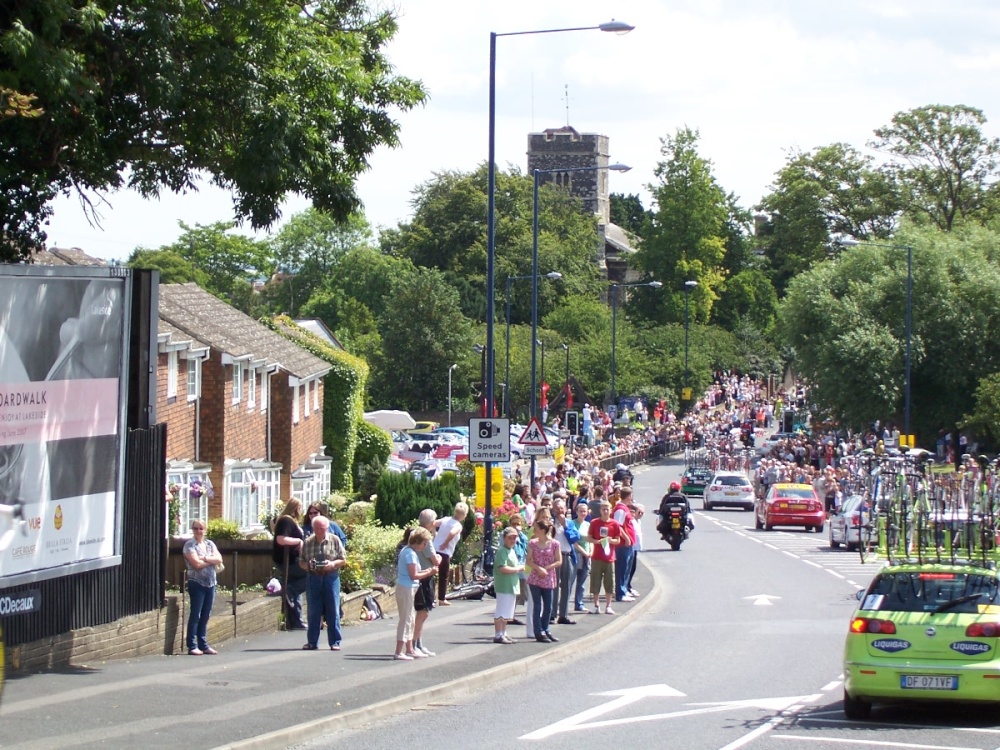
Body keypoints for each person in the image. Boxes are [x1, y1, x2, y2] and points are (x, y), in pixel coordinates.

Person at [299, 515, 347, 651]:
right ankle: (312, 642)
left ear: (327, 528)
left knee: (333, 610)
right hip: (313, 578)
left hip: (331, 577)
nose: (319, 531)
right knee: (313, 611)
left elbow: (343, 559)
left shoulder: (334, 540)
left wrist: (332, 564)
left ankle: (335, 642)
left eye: (322, 528)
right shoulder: (308, 542)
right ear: (313, 528)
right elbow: (301, 561)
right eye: (316, 528)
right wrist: (308, 565)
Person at [394, 527, 437, 660]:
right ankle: (398, 652)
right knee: (406, 619)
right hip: (406, 588)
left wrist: (428, 571)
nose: (424, 546)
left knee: (411, 619)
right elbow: (414, 575)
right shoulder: (410, 554)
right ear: (417, 541)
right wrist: (429, 572)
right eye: (424, 543)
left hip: (408, 587)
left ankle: (410, 649)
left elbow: (415, 574)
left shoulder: (408, 551)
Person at [183, 519, 223, 656]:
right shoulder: (189, 545)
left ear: (205, 530)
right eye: (195, 528)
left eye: (201, 528)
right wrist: (210, 560)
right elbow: (196, 565)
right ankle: (192, 645)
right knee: (196, 614)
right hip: (196, 583)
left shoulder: (209, 544)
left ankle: (203, 644)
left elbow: (219, 559)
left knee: (206, 615)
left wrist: (204, 558)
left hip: (211, 583)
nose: (198, 531)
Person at [272, 498, 307, 630]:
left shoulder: (291, 521)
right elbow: (281, 539)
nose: (301, 511)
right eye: (300, 508)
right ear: (296, 508)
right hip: (289, 561)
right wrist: (298, 541)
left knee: (295, 587)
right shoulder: (286, 520)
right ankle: (289, 591)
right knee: (311, 575)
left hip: (293, 560)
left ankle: (296, 621)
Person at [526, 518, 562, 643]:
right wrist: (538, 568)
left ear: (542, 530)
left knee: (548, 606)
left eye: (536, 529)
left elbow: (559, 560)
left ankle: (546, 629)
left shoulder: (555, 544)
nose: (534, 531)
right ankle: (538, 632)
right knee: (537, 605)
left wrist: (546, 568)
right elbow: (528, 560)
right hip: (535, 578)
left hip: (548, 577)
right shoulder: (532, 543)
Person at [413, 509, 441, 657]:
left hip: (419, 575)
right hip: (424, 576)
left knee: (422, 612)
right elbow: (435, 560)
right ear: (431, 523)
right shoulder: (426, 538)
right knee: (423, 611)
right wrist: (439, 558)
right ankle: (414, 643)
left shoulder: (415, 534)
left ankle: (418, 643)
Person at [587, 501, 621, 615]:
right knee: (595, 581)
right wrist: (597, 542)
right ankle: (596, 605)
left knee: (609, 582)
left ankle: (608, 605)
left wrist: (611, 541)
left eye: (607, 509)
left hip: (609, 557)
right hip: (597, 557)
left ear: (610, 510)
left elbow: (618, 540)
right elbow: (589, 538)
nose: (605, 511)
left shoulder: (615, 524)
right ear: (600, 511)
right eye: (603, 509)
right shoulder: (594, 522)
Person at [492, 527, 523, 644]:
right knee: (501, 610)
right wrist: (517, 569)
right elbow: (502, 568)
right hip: (504, 585)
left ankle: (503, 632)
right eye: (510, 538)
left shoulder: (511, 551)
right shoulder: (502, 551)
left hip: (511, 585)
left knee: (507, 611)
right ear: (504, 538)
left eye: (514, 538)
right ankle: (498, 634)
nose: (512, 540)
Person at [433, 502, 468, 606]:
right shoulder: (458, 525)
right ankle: (441, 599)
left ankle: (431, 597)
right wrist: (445, 543)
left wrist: (434, 535)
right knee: (443, 575)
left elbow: (433, 523)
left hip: (434, 548)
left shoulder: (446, 519)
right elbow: (452, 533)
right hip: (444, 551)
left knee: (431, 572)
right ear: (463, 515)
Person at [551, 499, 579, 625]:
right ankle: (552, 614)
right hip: (554, 558)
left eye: (561, 508)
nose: (559, 511)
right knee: (553, 587)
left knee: (566, 587)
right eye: (556, 508)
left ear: (566, 509)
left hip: (566, 556)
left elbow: (574, 538)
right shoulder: (551, 523)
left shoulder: (570, 523)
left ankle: (563, 615)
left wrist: (565, 526)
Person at [613, 487, 637, 603]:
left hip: (629, 543)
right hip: (622, 544)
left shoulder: (625, 508)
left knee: (627, 568)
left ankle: (624, 589)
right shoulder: (620, 509)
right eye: (631, 495)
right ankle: (620, 593)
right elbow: (617, 525)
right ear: (628, 496)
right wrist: (626, 538)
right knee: (621, 568)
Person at [571, 501, 592, 613]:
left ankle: (579, 603)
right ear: (577, 512)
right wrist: (583, 552)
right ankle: (563, 604)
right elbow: (573, 542)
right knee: (571, 580)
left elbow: (591, 540)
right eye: (581, 511)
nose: (583, 513)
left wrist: (590, 551)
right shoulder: (572, 524)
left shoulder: (588, 525)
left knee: (582, 581)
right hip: (576, 554)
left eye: (585, 511)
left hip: (586, 556)